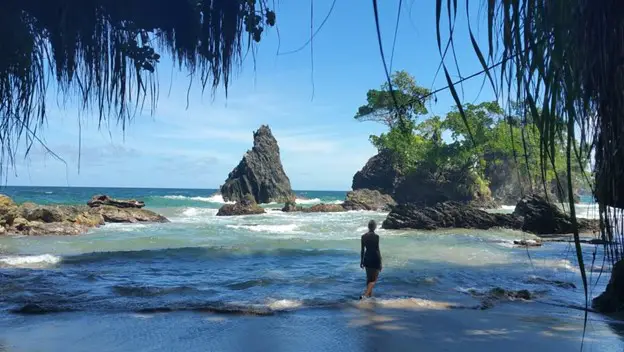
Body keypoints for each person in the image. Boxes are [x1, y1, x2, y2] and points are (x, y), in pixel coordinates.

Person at [360, 219, 382, 298]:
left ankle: (370, 296)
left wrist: (361, 261)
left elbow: (362, 250)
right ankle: (365, 295)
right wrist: (380, 263)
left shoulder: (363, 236)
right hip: (375, 258)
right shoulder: (376, 237)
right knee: (374, 280)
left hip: (367, 258)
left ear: (368, 227)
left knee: (369, 279)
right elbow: (377, 249)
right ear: (375, 227)